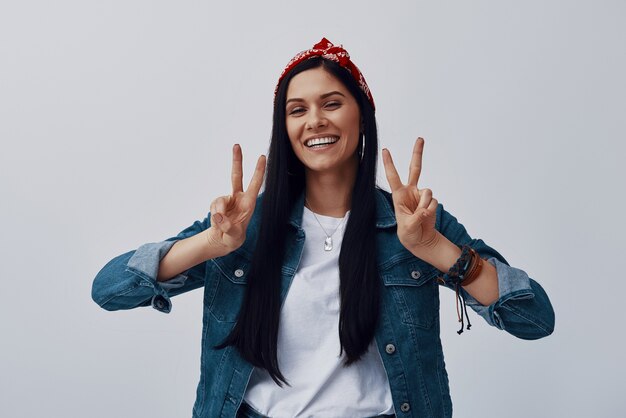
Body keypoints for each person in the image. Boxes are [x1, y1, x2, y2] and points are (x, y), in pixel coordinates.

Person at [91, 38, 555, 418]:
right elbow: (109, 289)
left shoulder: (414, 221)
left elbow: (534, 318)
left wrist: (434, 247)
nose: (315, 120)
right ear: (285, 127)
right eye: (297, 110)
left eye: (332, 103)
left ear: (361, 116)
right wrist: (210, 244)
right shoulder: (244, 225)